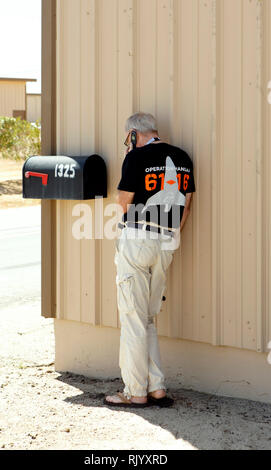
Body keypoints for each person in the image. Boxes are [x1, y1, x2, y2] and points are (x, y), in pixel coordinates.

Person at [104, 112, 196, 408]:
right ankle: (156, 387)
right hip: (168, 240)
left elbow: (122, 201)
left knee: (132, 317)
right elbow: (187, 204)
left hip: (138, 236)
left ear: (133, 134)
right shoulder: (182, 157)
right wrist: (169, 236)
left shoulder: (136, 157)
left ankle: (135, 391)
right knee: (148, 318)